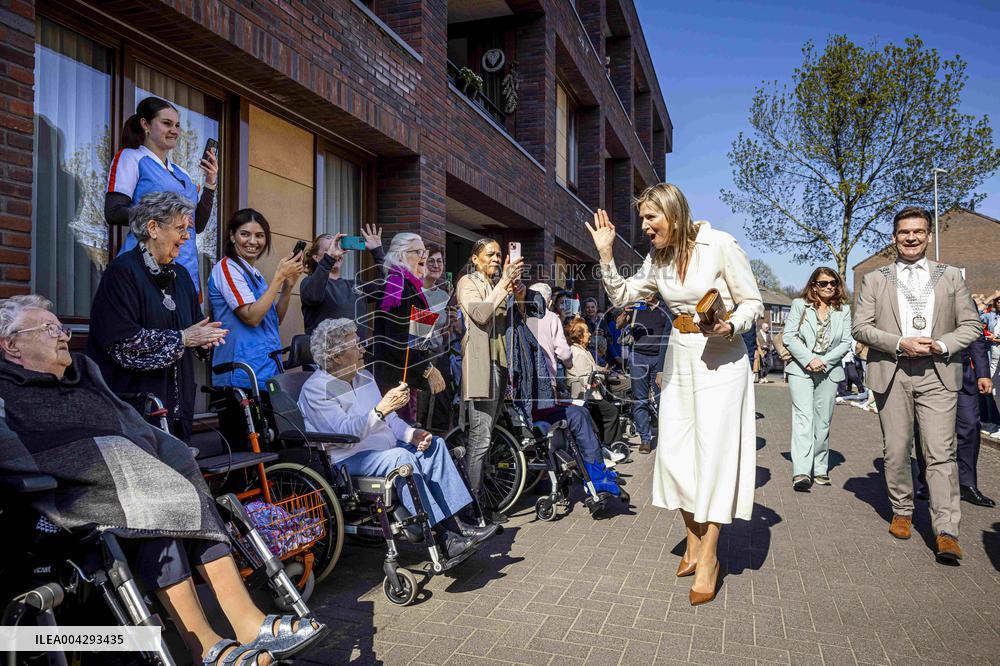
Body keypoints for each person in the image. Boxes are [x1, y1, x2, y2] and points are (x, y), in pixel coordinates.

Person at [0, 296, 324, 665]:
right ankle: (206, 646)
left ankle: (241, 626)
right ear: (11, 345)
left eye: (61, 326)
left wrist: (164, 458)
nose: (62, 335)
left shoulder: (84, 374)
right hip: (61, 497)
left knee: (180, 497)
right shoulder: (6, 391)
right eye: (48, 329)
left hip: (126, 486)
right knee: (162, 504)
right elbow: (15, 450)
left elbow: (131, 425)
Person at [586, 182, 763, 606]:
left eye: (651, 217)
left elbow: (752, 302)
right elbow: (624, 296)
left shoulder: (719, 244)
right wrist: (606, 256)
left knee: (714, 456)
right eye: (642, 219)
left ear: (674, 213)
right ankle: (691, 536)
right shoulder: (657, 258)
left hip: (722, 361)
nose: (645, 226)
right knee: (676, 453)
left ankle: (709, 556)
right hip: (681, 358)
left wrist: (729, 325)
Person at [297, 318, 495, 555]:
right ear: (335, 355)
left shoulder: (364, 377)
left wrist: (411, 434)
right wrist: (380, 409)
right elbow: (346, 432)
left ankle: (461, 524)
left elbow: (390, 420)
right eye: (356, 345)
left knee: (436, 446)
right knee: (401, 458)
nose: (363, 349)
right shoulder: (318, 388)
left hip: (384, 450)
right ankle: (443, 536)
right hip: (349, 459)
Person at [852, 206, 981, 562]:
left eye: (918, 232)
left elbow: (971, 325)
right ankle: (903, 510)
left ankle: (947, 530)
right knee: (895, 449)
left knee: (941, 453)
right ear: (894, 238)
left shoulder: (950, 275)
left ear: (928, 235)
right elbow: (860, 327)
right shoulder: (876, 279)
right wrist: (898, 342)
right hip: (892, 371)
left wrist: (940, 344)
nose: (911, 238)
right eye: (904, 232)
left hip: (938, 371)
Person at [87, 192, 227, 442]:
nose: (186, 237)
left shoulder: (181, 276)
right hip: (134, 411)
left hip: (176, 410)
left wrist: (205, 342)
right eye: (180, 228)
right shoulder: (122, 273)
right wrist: (183, 338)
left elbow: (193, 329)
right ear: (153, 228)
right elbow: (124, 345)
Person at [105, 96, 217, 292]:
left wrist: (210, 183)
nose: (174, 130)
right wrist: (166, 216)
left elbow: (197, 225)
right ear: (145, 124)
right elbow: (113, 212)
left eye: (177, 125)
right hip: (145, 266)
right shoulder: (131, 158)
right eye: (166, 123)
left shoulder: (183, 173)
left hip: (185, 269)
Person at [455, 238, 523, 524]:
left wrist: (515, 291)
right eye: (490, 254)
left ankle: (481, 501)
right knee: (480, 438)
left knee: (488, 435)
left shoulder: (499, 285)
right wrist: (502, 284)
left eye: (499, 254)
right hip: (481, 367)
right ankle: (473, 507)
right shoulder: (466, 283)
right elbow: (481, 315)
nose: (496, 258)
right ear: (475, 258)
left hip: (500, 365)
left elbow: (515, 321)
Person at [208, 209, 304, 389]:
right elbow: (252, 318)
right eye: (245, 234)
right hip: (239, 374)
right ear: (232, 236)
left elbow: (274, 320)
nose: (253, 241)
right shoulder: (227, 268)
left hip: (265, 371)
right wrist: (278, 277)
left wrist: (287, 287)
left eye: (260, 235)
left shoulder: (255, 273)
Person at [783, 268, 853, 490]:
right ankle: (802, 472)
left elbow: (845, 342)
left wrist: (825, 361)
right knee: (804, 419)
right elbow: (789, 336)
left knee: (822, 423)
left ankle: (820, 467)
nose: (829, 287)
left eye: (833, 283)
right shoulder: (799, 305)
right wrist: (810, 359)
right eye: (823, 283)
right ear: (813, 285)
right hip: (801, 369)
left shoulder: (844, 310)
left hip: (829, 370)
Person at [913, 331, 995, 508]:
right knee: (926, 430)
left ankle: (966, 484)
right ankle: (928, 482)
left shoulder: (966, 301)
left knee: (971, 424)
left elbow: (976, 337)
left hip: (962, 373)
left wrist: (983, 373)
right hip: (927, 371)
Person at [369, 234, 447, 416]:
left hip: (407, 378)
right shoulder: (398, 286)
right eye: (418, 251)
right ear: (401, 255)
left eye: (424, 252)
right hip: (395, 382)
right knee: (400, 434)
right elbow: (397, 341)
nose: (424, 256)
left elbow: (418, 341)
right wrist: (428, 370)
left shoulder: (412, 286)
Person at [299, 224, 385, 336]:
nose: (335, 252)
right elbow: (313, 296)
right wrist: (328, 259)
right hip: (325, 352)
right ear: (316, 257)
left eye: (337, 248)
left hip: (357, 352)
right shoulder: (309, 283)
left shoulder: (355, 285)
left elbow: (389, 288)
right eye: (329, 249)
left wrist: (378, 251)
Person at [565, 317, 625, 446]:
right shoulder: (578, 353)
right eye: (586, 331)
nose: (590, 334)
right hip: (587, 395)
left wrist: (603, 370)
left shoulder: (583, 350)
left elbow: (592, 368)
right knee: (612, 413)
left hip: (592, 394)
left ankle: (606, 442)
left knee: (603, 416)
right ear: (579, 335)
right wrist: (601, 376)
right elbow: (585, 378)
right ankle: (611, 444)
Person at [626, 294, 670, 454]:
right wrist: (624, 313)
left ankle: (667, 436)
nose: (647, 293)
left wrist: (663, 367)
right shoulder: (636, 307)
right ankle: (645, 439)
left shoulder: (666, 308)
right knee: (640, 400)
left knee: (662, 399)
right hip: (638, 357)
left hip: (659, 357)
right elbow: (619, 325)